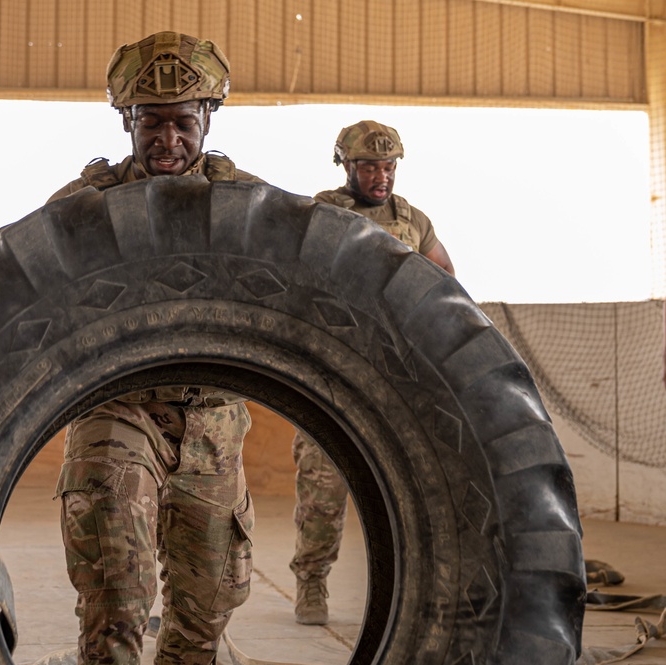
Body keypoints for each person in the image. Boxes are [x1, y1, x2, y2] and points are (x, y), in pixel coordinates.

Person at [47, 31, 265, 665]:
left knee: (205, 615)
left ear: (207, 119)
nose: (168, 139)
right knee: (116, 595)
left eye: (183, 122)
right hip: (121, 407)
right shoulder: (85, 209)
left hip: (215, 423)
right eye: (151, 122)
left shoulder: (251, 209)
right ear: (126, 122)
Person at [290, 120, 455, 626]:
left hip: (396, 372)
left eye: (388, 166)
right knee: (323, 484)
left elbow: (445, 282)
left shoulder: (413, 219)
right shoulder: (321, 212)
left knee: (416, 484)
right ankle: (312, 583)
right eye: (368, 166)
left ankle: (412, 588)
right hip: (333, 369)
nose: (380, 176)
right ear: (345, 165)